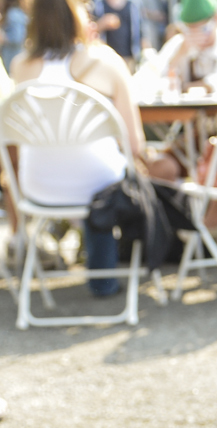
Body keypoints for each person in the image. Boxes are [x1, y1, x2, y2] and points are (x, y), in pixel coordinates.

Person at [7, 0, 144, 296]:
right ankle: (105, 277)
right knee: (106, 185)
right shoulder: (106, 61)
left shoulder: (20, 66)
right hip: (99, 186)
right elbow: (136, 145)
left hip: (36, 187)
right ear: (79, 19)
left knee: (88, 182)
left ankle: (85, 259)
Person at [135, 0, 217, 96]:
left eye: (203, 29)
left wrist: (198, 87)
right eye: (189, 29)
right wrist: (178, 57)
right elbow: (148, 78)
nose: (196, 35)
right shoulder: (178, 44)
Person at [91, 0, 142, 66]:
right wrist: (101, 24)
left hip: (129, 58)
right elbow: (88, 32)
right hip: (107, 60)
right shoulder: (97, 5)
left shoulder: (132, 5)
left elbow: (140, 32)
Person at [1, 0, 28, 72]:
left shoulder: (13, 14)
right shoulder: (16, 12)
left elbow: (17, 37)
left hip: (14, 55)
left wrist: (3, 37)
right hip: (14, 57)